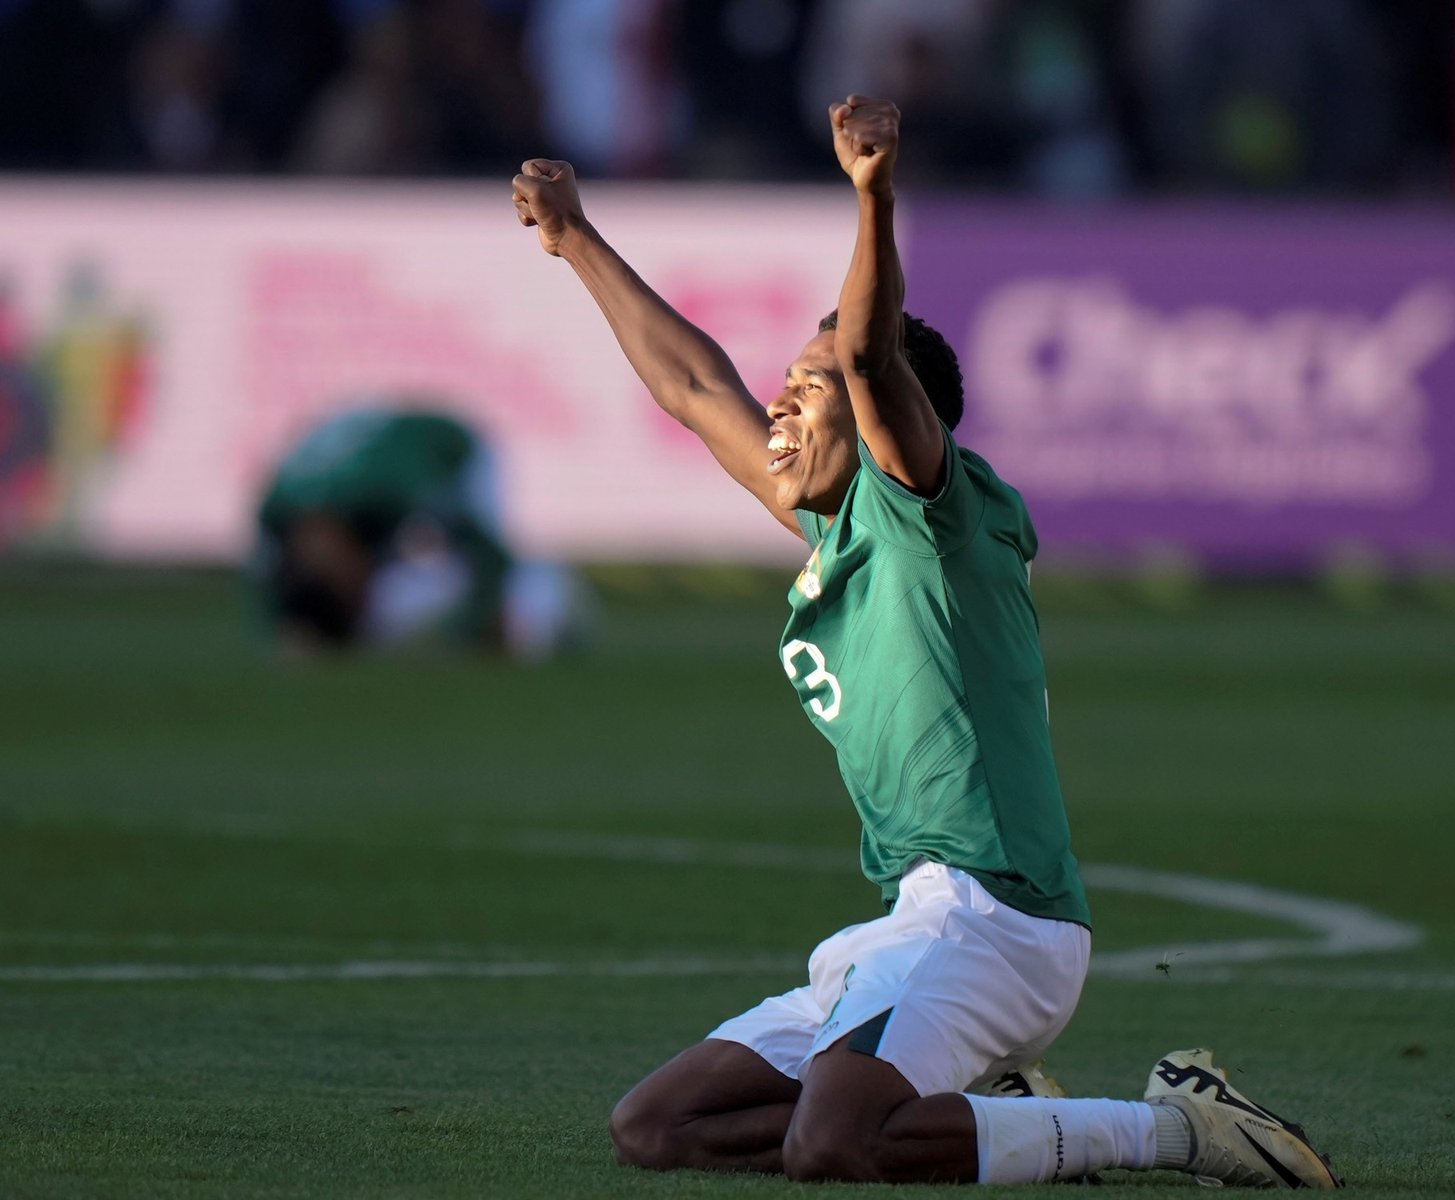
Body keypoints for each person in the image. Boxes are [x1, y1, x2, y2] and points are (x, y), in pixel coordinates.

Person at [512, 98, 1342, 1188]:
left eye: (808, 389)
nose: (779, 405)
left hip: (999, 923)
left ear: (881, 420)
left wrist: (875, 196)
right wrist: (575, 239)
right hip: (911, 925)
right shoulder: (840, 525)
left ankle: (1174, 1128)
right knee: (656, 1130)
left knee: (832, 1144)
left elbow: (868, 353)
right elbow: (694, 385)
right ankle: (991, 1111)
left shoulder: (931, 511)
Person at [251, 403, 592, 659]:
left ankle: (552, 592)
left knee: (485, 600)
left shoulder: (396, 489)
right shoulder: (275, 514)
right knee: (384, 613)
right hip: (369, 449)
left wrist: (472, 627)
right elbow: (275, 595)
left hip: (454, 450)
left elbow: (485, 551)